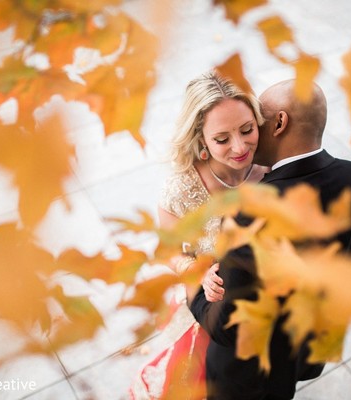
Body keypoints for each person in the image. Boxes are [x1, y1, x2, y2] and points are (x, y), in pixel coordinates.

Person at [190, 79, 351, 400]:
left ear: (279, 123)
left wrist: (195, 288)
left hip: (251, 376)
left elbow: (225, 325)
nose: (249, 136)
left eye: (258, 120)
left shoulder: (253, 211)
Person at [129, 71, 269, 399]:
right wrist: (198, 274)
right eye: (222, 139)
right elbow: (167, 250)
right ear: (200, 139)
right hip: (211, 307)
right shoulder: (182, 189)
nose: (240, 147)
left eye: (247, 130)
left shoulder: (271, 168)